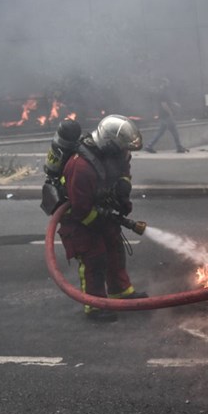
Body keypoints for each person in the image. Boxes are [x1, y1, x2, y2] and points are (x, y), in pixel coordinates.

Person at [59, 115, 148, 318]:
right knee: (95, 258)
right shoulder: (80, 167)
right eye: (122, 147)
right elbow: (81, 208)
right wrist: (102, 219)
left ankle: (121, 293)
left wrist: (124, 185)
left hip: (101, 211)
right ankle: (95, 305)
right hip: (80, 221)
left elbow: (124, 166)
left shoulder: (116, 152)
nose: (125, 152)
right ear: (109, 143)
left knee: (115, 250)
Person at [143, 77, 188, 154]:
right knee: (174, 132)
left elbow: (167, 101)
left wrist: (174, 104)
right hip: (166, 115)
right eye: (167, 83)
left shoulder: (163, 92)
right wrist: (170, 113)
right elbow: (164, 104)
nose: (168, 84)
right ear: (163, 84)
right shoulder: (163, 92)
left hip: (163, 116)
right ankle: (179, 147)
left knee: (160, 132)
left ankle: (149, 146)